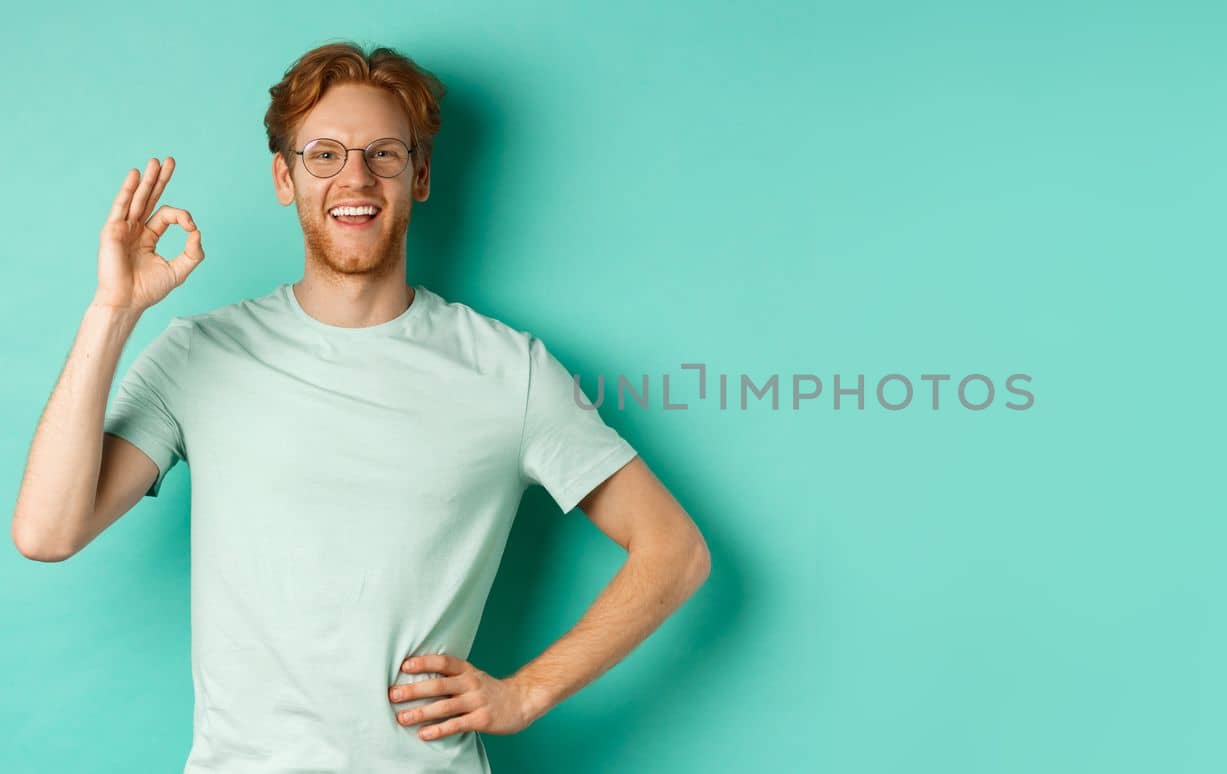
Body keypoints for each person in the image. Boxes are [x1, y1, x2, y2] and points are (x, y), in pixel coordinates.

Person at [10, 41, 711, 773]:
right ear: (285, 177)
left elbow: (675, 551)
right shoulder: (199, 355)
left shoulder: (509, 370)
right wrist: (112, 311)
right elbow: (47, 532)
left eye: (384, 154)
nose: (356, 177)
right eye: (324, 154)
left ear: (421, 175)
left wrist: (527, 694)